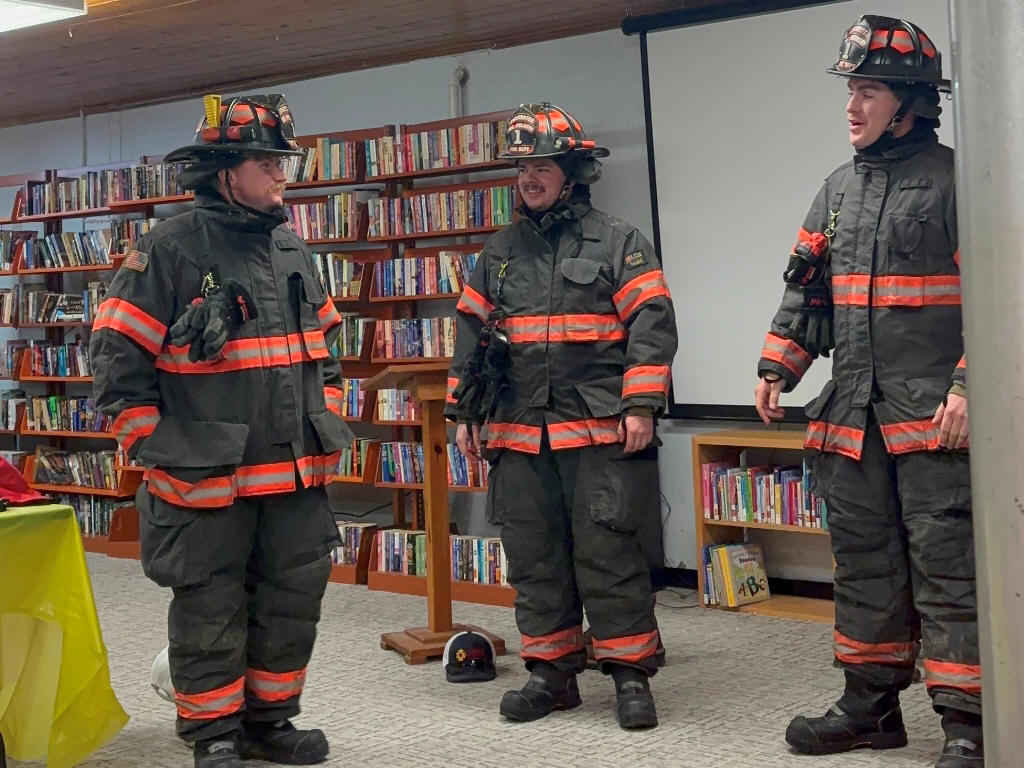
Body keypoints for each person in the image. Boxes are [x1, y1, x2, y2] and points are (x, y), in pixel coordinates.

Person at [91, 93, 352, 768]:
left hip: (294, 477)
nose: (282, 174)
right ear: (225, 171)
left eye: (283, 161)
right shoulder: (167, 249)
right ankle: (213, 733)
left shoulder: (292, 248)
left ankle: (270, 721)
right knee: (210, 608)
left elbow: (326, 349)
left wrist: (325, 413)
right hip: (206, 479)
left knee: (291, 603)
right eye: (267, 163)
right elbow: (117, 362)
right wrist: (156, 448)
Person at [754, 17, 981, 768]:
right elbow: (807, 292)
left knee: (948, 571)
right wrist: (779, 366)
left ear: (910, 101)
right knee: (865, 566)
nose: (852, 106)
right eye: (850, 90)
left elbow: (1003, 296)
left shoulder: (959, 181)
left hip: (935, 424)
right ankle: (871, 707)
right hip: (852, 420)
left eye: (870, 91)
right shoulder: (837, 190)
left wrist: (969, 385)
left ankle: (969, 723)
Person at [447, 103, 677, 730]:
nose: (529, 179)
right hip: (519, 433)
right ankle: (551, 675)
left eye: (542, 167)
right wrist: (464, 412)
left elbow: (653, 326)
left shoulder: (619, 241)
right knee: (534, 557)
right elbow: (471, 337)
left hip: (601, 430)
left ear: (572, 173)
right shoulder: (498, 252)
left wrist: (641, 403)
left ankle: (630, 675)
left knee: (608, 553)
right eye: (522, 168)